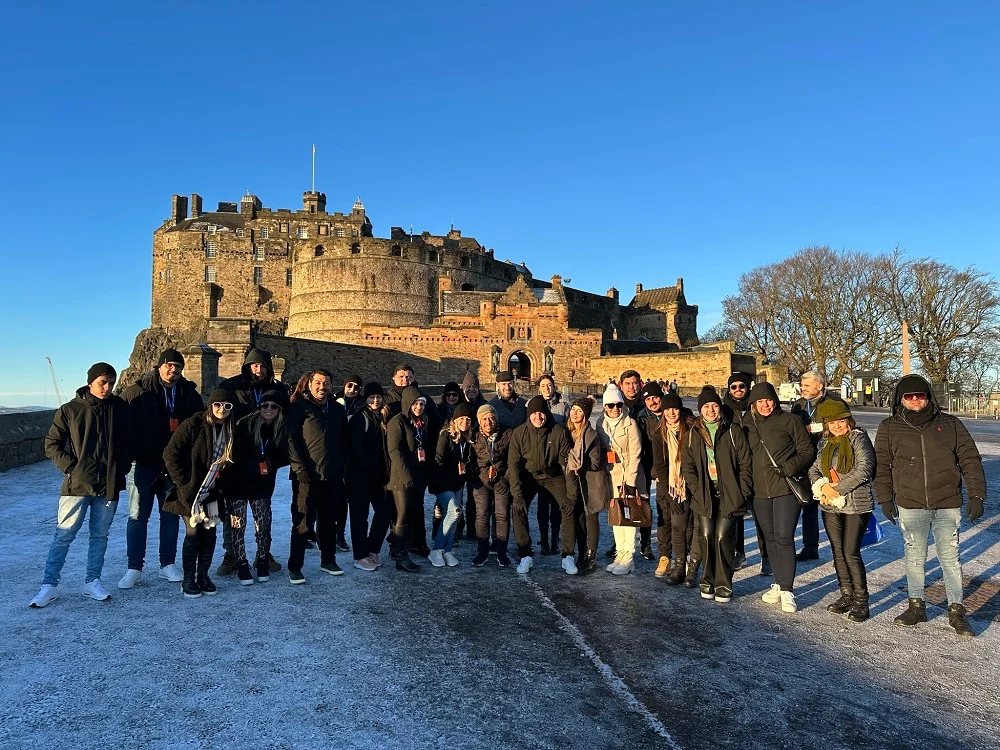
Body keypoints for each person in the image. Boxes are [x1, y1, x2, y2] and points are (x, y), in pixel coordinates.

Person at [875, 375, 986, 637]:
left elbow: (970, 459)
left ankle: (956, 610)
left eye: (920, 395)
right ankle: (916, 606)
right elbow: (882, 466)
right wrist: (884, 498)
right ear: (900, 399)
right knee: (915, 557)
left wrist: (977, 496)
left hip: (947, 502)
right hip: (910, 503)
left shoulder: (951, 424)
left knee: (950, 557)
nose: (915, 400)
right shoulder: (890, 427)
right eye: (909, 396)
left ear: (928, 396)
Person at [30, 363, 131, 608]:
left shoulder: (120, 408)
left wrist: (122, 467)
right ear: (90, 383)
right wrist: (71, 469)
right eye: (102, 382)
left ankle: (92, 581)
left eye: (110, 382)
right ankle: (49, 585)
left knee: (100, 536)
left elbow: (130, 441)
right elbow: (52, 444)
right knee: (64, 535)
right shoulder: (70, 410)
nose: (107, 388)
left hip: (109, 484)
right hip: (77, 485)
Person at [117, 348, 204, 590]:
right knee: (137, 517)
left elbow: (199, 429)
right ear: (159, 366)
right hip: (143, 464)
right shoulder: (137, 391)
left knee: (170, 516)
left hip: (173, 466)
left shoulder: (188, 394)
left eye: (178, 366)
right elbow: (121, 426)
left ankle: (167, 564)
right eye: (169, 365)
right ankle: (134, 567)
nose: (173, 370)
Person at [217, 347, 287, 576]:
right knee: (234, 512)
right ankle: (232, 555)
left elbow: (286, 422)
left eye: (263, 365)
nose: (258, 369)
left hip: (264, 461)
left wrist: (276, 458)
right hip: (236, 460)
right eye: (254, 365)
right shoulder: (231, 386)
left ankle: (263, 554)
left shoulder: (277, 390)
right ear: (247, 366)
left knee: (262, 512)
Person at [746, 382, 815, 614]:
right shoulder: (747, 424)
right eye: (760, 401)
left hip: (785, 487)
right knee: (771, 539)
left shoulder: (789, 421)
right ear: (753, 404)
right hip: (759, 491)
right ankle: (778, 581)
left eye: (769, 400)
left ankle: (787, 589)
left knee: (784, 538)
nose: (765, 404)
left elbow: (807, 450)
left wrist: (789, 467)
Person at [162, 388, 235, 599]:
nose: (222, 409)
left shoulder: (230, 430)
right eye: (217, 404)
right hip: (191, 492)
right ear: (210, 405)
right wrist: (183, 482)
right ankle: (188, 579)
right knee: (193, 534)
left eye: (227, 406)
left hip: (212, 492)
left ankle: (203, 576)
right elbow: (170, 453)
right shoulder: (193, 424)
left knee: (209, 533)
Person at [681, 387, 753, 603]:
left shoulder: (733, 432)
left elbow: (745, 464)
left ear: (720, 408)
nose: (711, 410)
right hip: (704, 494)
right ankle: (707, 581)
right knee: (705, 536)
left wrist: (742, 491)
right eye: (706, 407)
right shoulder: (694, 434)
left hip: (729, 494)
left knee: (723, 537)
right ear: (700, 410)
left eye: (714, 406)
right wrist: (695, 489)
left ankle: (724, 584)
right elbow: (689, 466)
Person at [807, 399, 875, 622]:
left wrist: (835, 489)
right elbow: (814, 469)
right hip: (829, 505)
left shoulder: (858, 438)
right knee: (837, 551)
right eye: (832, 422)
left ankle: (861, 600)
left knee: (850, 552)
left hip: (856, 504)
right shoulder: (825, 443)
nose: (837, 426)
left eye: (841, 421)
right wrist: (822, 486)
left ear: (848, 420)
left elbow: (865, 468)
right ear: (826, 424)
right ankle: (846, 594)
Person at [287, 369, 349, 583]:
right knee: (303, 522)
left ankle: (328, 560)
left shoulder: (338, 410)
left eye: (326, 383)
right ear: (310, 384)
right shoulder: (299, 408)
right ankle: (295, 566)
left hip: (331, 475)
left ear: (331, 385)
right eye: (318, 383)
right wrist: (299, 468)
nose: (322, 387)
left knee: (329, 521)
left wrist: (341, 466)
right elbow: (291, 440)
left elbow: (344, 440)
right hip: (306, 477)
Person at [226, 388, 290, 584]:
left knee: (263, 524)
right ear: (259, 407)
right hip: (238, 481)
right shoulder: (245, 424)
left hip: (262, 484)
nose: (269, 409)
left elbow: (286, 454)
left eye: (273, 406)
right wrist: (253, 465)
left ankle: (262, 559)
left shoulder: (282, 428)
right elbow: (234, 451)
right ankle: (241, 562)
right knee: (238, 524)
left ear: (279, 409)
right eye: (265, 405)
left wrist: (271, 462)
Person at [508, 396, 573, 574]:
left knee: (568, 507)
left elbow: (567, 464)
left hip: (553, 476)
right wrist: (517, 494)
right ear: (529, 415)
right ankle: (525, 554)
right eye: (534, 413)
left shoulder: (558, 431)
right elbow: (513, 466)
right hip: (529, 476)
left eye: (542, 413)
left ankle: (568, 555)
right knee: (518, 508)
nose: (538, 417)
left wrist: (571, 492)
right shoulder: (519, 433)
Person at [791, 370, 843, 561]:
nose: (802, 389)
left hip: (830, 459)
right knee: (809, 505)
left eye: (806, 386)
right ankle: (810, 547)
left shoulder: (834, 403)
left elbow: (842, 429)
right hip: (806, 458)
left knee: (834, 505)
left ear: (819, 386)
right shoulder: (798, 404)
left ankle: (841, 551)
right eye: (802, 385)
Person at [722, 372, 768, 575]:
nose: (738, 390)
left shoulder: (756, 408)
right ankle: (738, 552)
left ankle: (766, 556)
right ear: (729, 389)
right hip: (735, 468)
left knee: (762, 515)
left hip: (758, 466)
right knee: (736, 513)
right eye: (734, 387)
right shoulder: (724, 410)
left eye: (741, 386)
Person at [598, 383, 648, 576]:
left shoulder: (631, 423)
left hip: (629, 477)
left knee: (630, 517)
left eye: (618, 405)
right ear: (605, 407)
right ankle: (620, 553)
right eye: (611, 405)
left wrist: (630, 482)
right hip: (612, 475)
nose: (615, 409)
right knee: (616, 518)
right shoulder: (600, 424)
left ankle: (629, 556)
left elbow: (635, 454)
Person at [652, 391, 700, 587]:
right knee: (678, 526)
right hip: (674, 487)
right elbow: (660, 465)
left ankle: (692, 565)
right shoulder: (659, 434)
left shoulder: (692, 428)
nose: (671, 413)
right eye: (667, 409)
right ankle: (679, 565)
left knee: (695, 526)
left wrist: (694, 485)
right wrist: (669, 491)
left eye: (674, 408)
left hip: (694, 483)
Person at [605, 369, 653, 561]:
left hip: (645, 462)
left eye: (635, 383)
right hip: (619, 468)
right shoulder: (614, 406)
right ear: (621, 385)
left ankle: (645, 544)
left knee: (642, 504)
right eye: (628, 383)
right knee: (622, 506)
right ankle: (620, 546)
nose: (632, 387)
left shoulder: (646, 404)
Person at [346, 382, 392, 572]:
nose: (375, 400)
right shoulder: (360, 418)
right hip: (358, 475)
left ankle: (372, 549)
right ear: (366, 399)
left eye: (378, 397)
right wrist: (369, 466)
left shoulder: (382, 417)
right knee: (360, 517)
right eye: (372, 397)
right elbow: (355, 448)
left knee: (384, 512)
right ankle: (360, 556)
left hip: (377, 476)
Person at [387, 385, 431, 573]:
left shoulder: (422, 422)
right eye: (415, 404)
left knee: (412, 513)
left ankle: (402, 547)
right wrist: (406, 476)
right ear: (407, 404)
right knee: (402, 515)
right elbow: (394, 451)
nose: (418, 407)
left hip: (417, 475)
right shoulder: (397, 422)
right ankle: (400, 556)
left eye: (421, 404)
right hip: (401, 477)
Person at [565, 397, 609, 575]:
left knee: (591, 518)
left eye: (579, 411)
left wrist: (578, 465)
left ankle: (591, 556)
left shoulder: (590, 434)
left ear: (585, 415)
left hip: (590, 480)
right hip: (574, 481)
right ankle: (582, 551)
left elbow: (596, 461)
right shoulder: (567, 431)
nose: (575, 413)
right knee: (579, 517)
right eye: (573, 409)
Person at [428, 402, 474, 567]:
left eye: (468, 419)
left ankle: (447, 550)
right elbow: (438, 461)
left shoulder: (467, 437)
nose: (464, 422)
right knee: (453, 512)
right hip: (442, 483)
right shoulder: (445, 435)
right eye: (461, 418)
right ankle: (436, 549)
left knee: (456, 514)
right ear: (454, 420)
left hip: (457, 483)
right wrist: (446, 482)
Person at [470, 404, 512, 567]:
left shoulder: (508, 433)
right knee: (482, 514)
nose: (489, 422)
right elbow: (470, 459)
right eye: (484, 419)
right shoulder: (474, 436)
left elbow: (513, 460)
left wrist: (506, 479)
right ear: (479, 422)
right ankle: (482, 551)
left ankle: (501, 551)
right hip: (482, 481)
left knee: (502, 514)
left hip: (501, 479)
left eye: (491, 418)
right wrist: (476, 478)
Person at [535, 373, 568, 555]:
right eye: (543, 385)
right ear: (539, 388)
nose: (547, 388)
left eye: (549, 385)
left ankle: (555, 539)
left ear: (554, 386)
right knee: (542, 505)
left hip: (557, 463)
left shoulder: (563, 406)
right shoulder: (532, 406)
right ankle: (544, 540)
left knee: (556, 506)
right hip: (540, 462)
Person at [637, 381, 665, 567]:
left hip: (667, 468)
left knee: (665, 507)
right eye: (648, 399)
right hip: (646, 466)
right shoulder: (641, 417)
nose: (652, 401)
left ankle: (665, 548)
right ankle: (645, 543)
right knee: (645, 505)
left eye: (655, 397)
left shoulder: (672, 412)